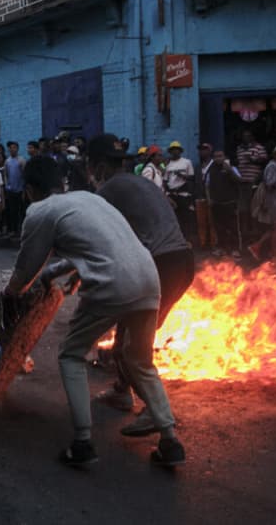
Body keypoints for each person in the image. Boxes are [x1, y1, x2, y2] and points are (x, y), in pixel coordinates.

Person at [3, 157, 184, 467]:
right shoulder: (87, 199)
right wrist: (53, 273)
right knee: (139, 360)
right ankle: (170, 441)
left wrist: (10, 297)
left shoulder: (39, 211)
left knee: (70, 354)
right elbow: (97, 248)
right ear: (60, 183)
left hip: (113, 283)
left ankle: (83, 443)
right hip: (147, 276)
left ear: (29, 189)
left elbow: (24, 272)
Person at [86, 135, 195, 437]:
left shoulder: (108, 190)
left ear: (98, 166)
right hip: (181, 261)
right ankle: (122, 390)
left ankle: (154, 412)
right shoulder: (143, 183)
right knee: (126, 331)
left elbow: (97, 239)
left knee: (134, 347)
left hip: (161, 266)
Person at [249, 145, 276, 261]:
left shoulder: (275, 166)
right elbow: (269, 185)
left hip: (274, 200)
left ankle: (257, 247)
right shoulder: (272, 166)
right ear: (275, 154)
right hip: (272, 201)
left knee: (274, 228)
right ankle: (274, 253)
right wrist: (265, 203)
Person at [206, 150, 243, 258]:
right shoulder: (211, 170)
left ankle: (235, 249)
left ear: (224, 157)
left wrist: (230, 170)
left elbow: (240, 181)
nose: (218, 158)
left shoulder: (232, 168)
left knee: (233, 227)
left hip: (230, 203)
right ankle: (221, 248)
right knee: (219, 228)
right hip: (216, 204)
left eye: (220, 156)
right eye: (216, 156)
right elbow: (207, 186)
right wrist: (209, 199)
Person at [236, 130, 268, 243]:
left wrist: (253, 160)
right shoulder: (239, 148)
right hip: (242, 183)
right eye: (244, 136)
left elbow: (264, 162)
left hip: (253, 183)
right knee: (243, 209)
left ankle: (255, 232)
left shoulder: (259, 148)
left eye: (248, 136)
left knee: (254, 208)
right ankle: (244, 232)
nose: (245, 138)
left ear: (252, 137)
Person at [164, 140, 196, 242]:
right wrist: (166, 193)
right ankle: (176, 240)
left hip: (183, 194)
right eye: (173, 150)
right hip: (171, 195)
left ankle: (186, 240)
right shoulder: (168, 164)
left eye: (176, 150)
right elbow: (165, 179)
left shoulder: (187, 162)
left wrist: (181, 175)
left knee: (185, 218)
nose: (175, 152)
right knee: (173, 219)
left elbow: (191, 178)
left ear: (180, 151)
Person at [195, 143, 216, 250]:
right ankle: (203, 244)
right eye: (200, 150)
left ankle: (214, 244)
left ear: (209, 151)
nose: (202, 152)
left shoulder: (214, 165)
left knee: (212, 222)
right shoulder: (198, 166)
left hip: (212, 198)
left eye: (204, 149)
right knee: (201, 222)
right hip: (200, 198)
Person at [4, 141, 26, 235]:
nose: (12, 149)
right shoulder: (7, 161)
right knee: (12, 211)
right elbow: (5, 174)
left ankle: (21, 230)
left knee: (20, 211)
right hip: (10, 190)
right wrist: (6, 185)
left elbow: (24, 175)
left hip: (20, 190)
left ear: (17, 149)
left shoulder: (21, 160)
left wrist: (24, 189)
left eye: (14, 147)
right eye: (10, 148)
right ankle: (13, 230)